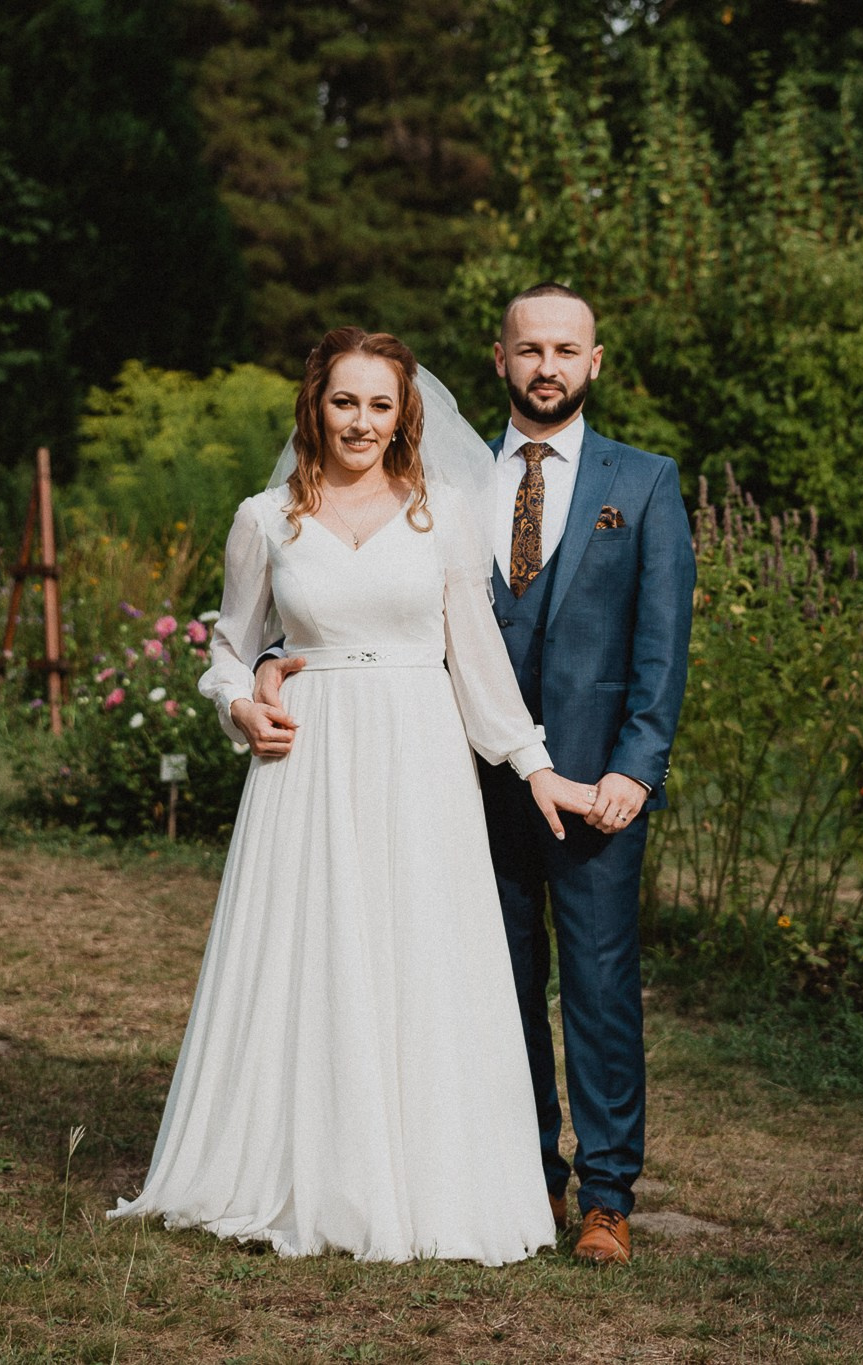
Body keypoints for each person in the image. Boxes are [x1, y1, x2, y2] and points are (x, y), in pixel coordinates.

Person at [104, 327, 597, 1264]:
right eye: (344, 401)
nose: (361, 421)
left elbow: (475, 657)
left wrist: (533, 762)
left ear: (404, 413)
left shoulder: (445, 514)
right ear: (315, 407)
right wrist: (241, 706)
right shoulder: (264, 519)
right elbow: (230, 647)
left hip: (420, 757)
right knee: (312, 953)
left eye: (380, 403)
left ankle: (425, 1176)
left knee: (417, 953)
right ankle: (302, 1163)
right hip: (308, 762)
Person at [254, 284, 696, 1264]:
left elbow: (662, 644)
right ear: (499, 359)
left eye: (566, 350)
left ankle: (607, 1195)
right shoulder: (441, 482)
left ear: (594, 362)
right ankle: (521, 1173)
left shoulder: (644, 482)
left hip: (590, 783)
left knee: (598, 985)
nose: (547, 366)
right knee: (488, 989)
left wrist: (635, 768)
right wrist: (271, 665)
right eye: (529, 348)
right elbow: (350, 597)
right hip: (450, 777)